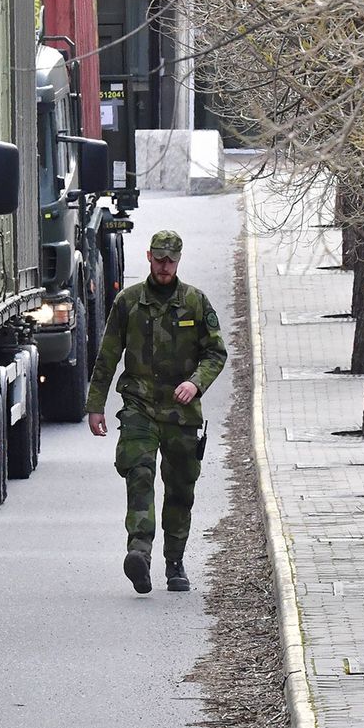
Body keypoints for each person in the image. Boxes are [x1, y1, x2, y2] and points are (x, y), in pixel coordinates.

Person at [87, 230, 227, 594]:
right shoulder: (129, 302)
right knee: (140, 474)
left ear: (179, 261)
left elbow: (216, 353)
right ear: (148, 256)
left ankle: (175, 561)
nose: (165, 267)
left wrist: (196, 382)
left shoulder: (195, 302)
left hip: (181, 413)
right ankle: (139, 553)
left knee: (180, 488)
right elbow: (107, 356)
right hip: (139, 407)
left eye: (171, 261)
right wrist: (95, 406)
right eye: (159, 259)